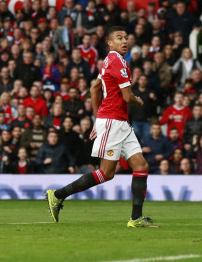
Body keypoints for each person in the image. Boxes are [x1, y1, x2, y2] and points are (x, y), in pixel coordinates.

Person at [45, 26, 158, 227]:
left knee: (141, 166)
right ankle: (58, 195)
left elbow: (94, 88)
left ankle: (136, 218)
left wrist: (97, 119)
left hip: (120, 122)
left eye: (126, 37)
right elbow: (127, 96)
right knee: (106, 173)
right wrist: (138, 101)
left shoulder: (111, 61)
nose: (124, 41)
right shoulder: (117, 61)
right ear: (109, 43)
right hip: (113, 121)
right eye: (119, 38)